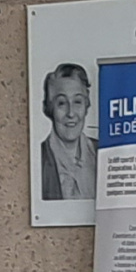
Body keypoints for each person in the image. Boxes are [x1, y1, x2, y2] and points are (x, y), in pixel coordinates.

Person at [35, 62, 97, 206]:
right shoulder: (37, 159)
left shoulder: (102, 153)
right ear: (48, 108)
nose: (71, 113)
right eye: (62, 103)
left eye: (77, 102)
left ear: (86, 105)